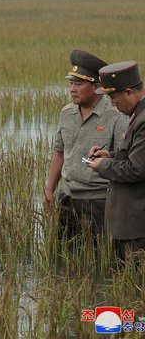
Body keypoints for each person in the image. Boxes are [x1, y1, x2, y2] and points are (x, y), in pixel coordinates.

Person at [43, 49, 127, 243]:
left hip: (99, 202)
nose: (72, 88)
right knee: (65, 254)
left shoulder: (115, 116)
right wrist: (50, 188)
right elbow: (59, 152)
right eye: (71, 83)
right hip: (67, 197)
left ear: (97, 87)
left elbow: (125, 159)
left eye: (79, 84)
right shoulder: (66, 113)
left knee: (99, 258)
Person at [87, 61, 145, 261]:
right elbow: (136, 156)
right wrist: (110, 156)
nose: (112, 103)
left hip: (137, 227)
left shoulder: (143, 120)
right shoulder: (137, 115)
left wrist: (102, 166)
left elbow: (136, 169)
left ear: (129, 93)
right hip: (131, 225)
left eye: (113, 97)